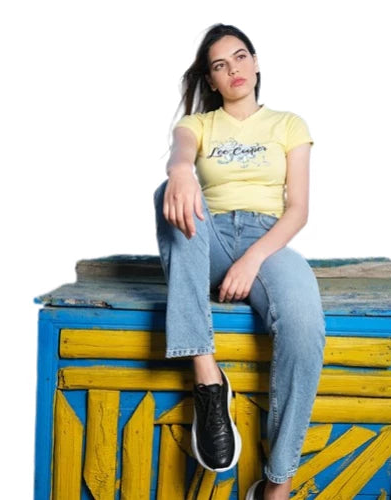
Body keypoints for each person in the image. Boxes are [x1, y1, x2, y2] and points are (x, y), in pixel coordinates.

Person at [153, 23, 326, 500]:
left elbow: (298, 210)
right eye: (220, 64)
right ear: (210, 79)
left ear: (256, 63)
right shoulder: (197, 125)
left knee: (304, 322)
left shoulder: (289, 125)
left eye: (241, 56)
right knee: (167, 191)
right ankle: (208, 378)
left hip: (267, 240)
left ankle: (277, 481)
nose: (233, 69)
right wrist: (180, 171)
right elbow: (180, 153)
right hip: (203, 236)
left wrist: (251, 261)